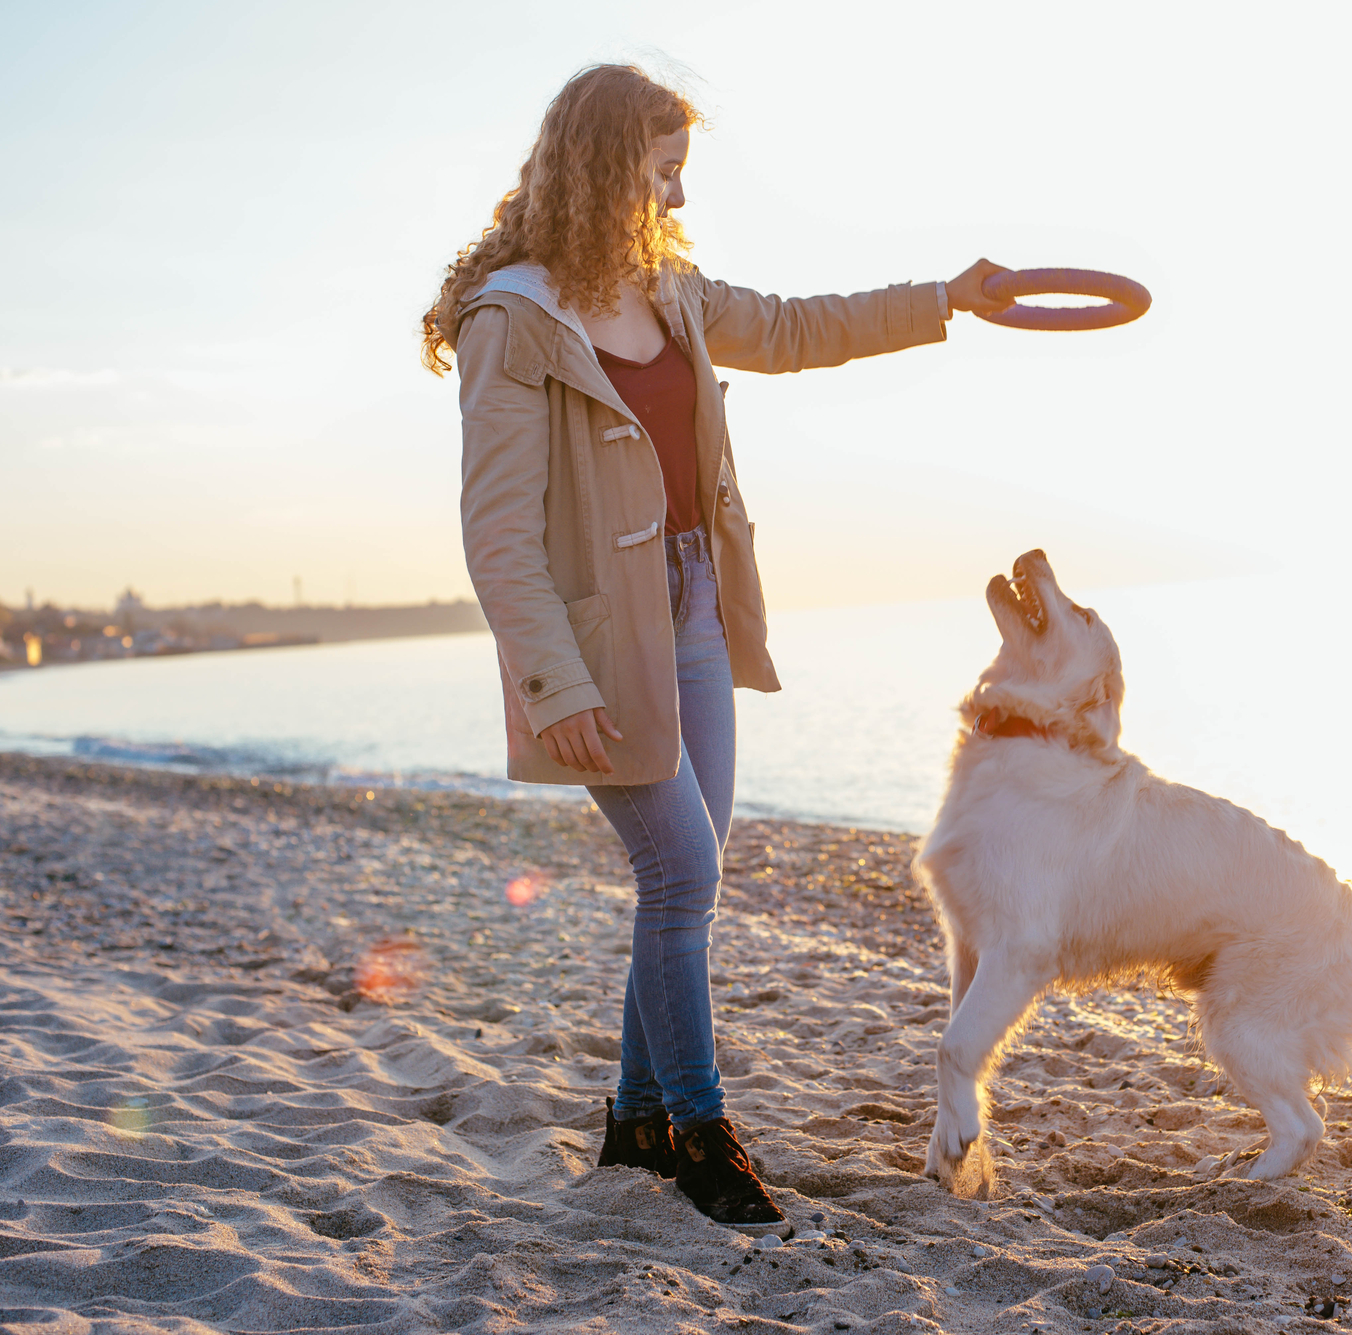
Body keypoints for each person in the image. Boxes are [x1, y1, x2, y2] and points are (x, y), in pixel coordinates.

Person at [422, 63, 1010, 1226]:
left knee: (681, 883)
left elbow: (800, 329)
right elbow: (495, 532)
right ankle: (701, 1132)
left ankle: (634, 1122)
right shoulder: (512, 320)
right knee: (680, 873)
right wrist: (553, 680)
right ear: (606, 171)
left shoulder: (669, 289)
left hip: (692, 601)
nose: (678, 199)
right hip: (597, 634)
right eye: (664, 174)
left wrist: (949, 296)